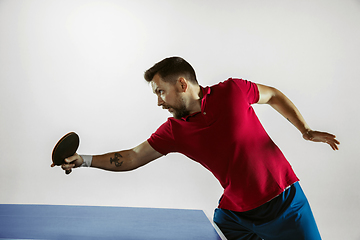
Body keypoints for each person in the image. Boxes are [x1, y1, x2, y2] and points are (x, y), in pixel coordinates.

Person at [52, 56, 340, 240]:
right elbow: (133, 157)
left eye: (160, 92)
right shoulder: (174, 131)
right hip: (236, 217)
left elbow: (274, 95)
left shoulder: (233, 91)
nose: (159, 102)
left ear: (181, 83)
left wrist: (306, 130)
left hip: (285, 204)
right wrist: (84, 160)